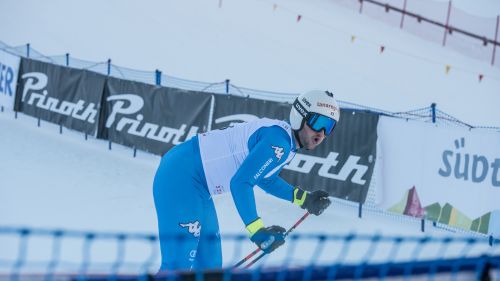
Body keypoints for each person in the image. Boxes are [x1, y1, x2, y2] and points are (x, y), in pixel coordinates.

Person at [153, 90, 340, 271]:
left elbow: (266, 179)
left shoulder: (286, 143)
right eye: (319, 122)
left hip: (199, 187)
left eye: (329, 126)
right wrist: (257, 231)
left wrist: (304, 199)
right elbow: (241, 183)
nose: (322, 133)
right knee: (177, 268)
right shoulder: (279, 142)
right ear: (301, 116)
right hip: (181, 176)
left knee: (210, 266)